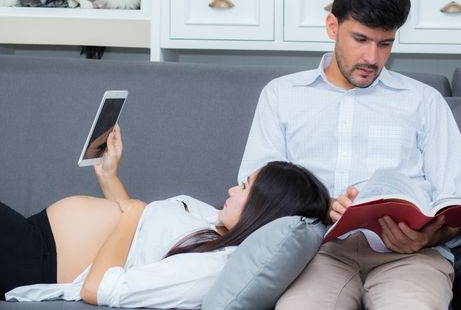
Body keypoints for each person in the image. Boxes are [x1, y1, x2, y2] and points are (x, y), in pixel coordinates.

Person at [238, 0, 461, 310]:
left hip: (410, 259)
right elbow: (255, 188)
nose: (372, 58)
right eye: (361, 39)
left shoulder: (423, 101)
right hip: (317, 253)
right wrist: (319, 207)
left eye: (385, 44)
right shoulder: (281, 95)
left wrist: (429, 236)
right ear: (332, 27)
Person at [1, 125, 331, 309]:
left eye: (245, 187)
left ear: (264, 208)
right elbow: (141, 239)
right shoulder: (215, 223)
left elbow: (100, 289)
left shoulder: (210, 268)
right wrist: (110, 176)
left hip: (35, 260)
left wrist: (133, 212)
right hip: (34, 239)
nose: (232, 189)